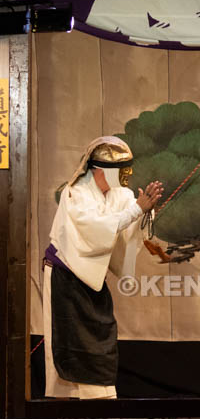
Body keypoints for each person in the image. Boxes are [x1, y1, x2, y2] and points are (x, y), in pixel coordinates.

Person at [43, 136, 162, 399]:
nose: (124, 177)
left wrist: (144, 211)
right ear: (99, 171)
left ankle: (102, 393)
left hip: (92, 278)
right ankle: (69, 397)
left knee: (101, 331)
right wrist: (135, 210)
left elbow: (128, 226)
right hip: (66, 276)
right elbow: (97, 230)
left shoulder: (120, 194)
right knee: (70, 337)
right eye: (119, 172)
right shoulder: (75, 194)